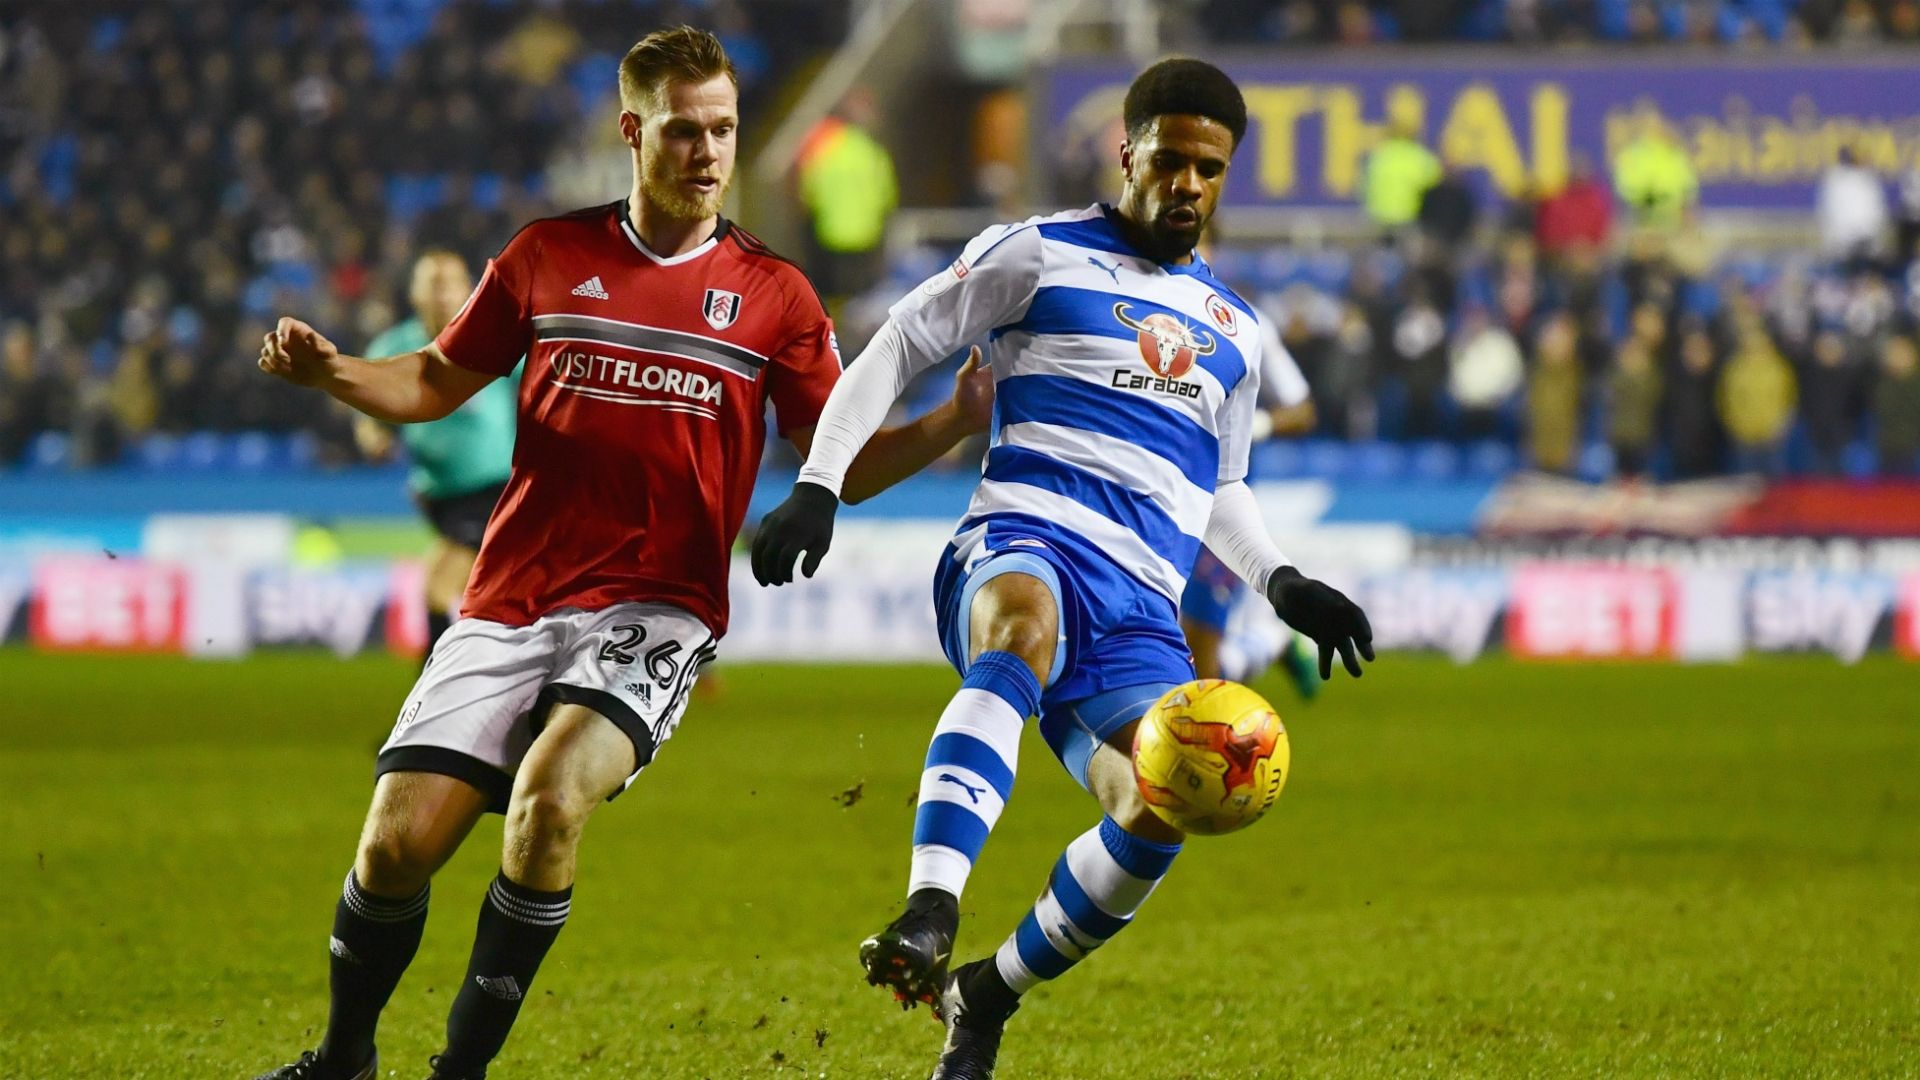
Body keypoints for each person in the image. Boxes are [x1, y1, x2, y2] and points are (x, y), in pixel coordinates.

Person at [248, 27, 991, 1080]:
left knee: (550, 801)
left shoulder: (775, 295)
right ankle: (344, 1059)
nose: (709, 153)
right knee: (394, 846)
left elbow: (842, 457)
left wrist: (952, 422)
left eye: (724, 131)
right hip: (509, 598)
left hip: (657, 608)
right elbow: (430, 382)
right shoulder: (546, 257)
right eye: (685, 132)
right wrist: (332, 374)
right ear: (633, 132)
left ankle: (458, 1072)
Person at [751, 58, 1373, 1079]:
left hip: (1140, 608)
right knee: (1022, 627)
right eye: (1170, 162)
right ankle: (929, 909)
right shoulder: (1036, 253)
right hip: (1022, 544)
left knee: (1166, 799)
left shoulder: (1236, 332)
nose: (1188, 186)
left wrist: (1284, 582)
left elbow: (1219, 487)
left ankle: (986, 992)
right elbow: (901, 345)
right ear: (1128, 153)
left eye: (1208, 170)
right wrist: (821, 480)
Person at [353, 251, 518, 660]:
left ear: (470, 289)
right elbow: (367, 412)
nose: (443, 292)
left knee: (437, 589)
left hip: (495, 490)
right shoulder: (393, 347)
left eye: (451, 282)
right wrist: (373, 437)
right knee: (473, 599)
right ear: (415, 292)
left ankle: (431, 712)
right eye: (433, 282)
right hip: (439, 496)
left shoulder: (492, 338)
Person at [1180, 313, 1322, 695]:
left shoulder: (1245, 322)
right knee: (1169, 657)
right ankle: (1268, 641)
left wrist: (1259, 424)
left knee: (1202, 668)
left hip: (1216, 505)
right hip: (1155, 500)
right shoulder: (1136, 303)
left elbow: (1302, 409)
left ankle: (1269, 643)